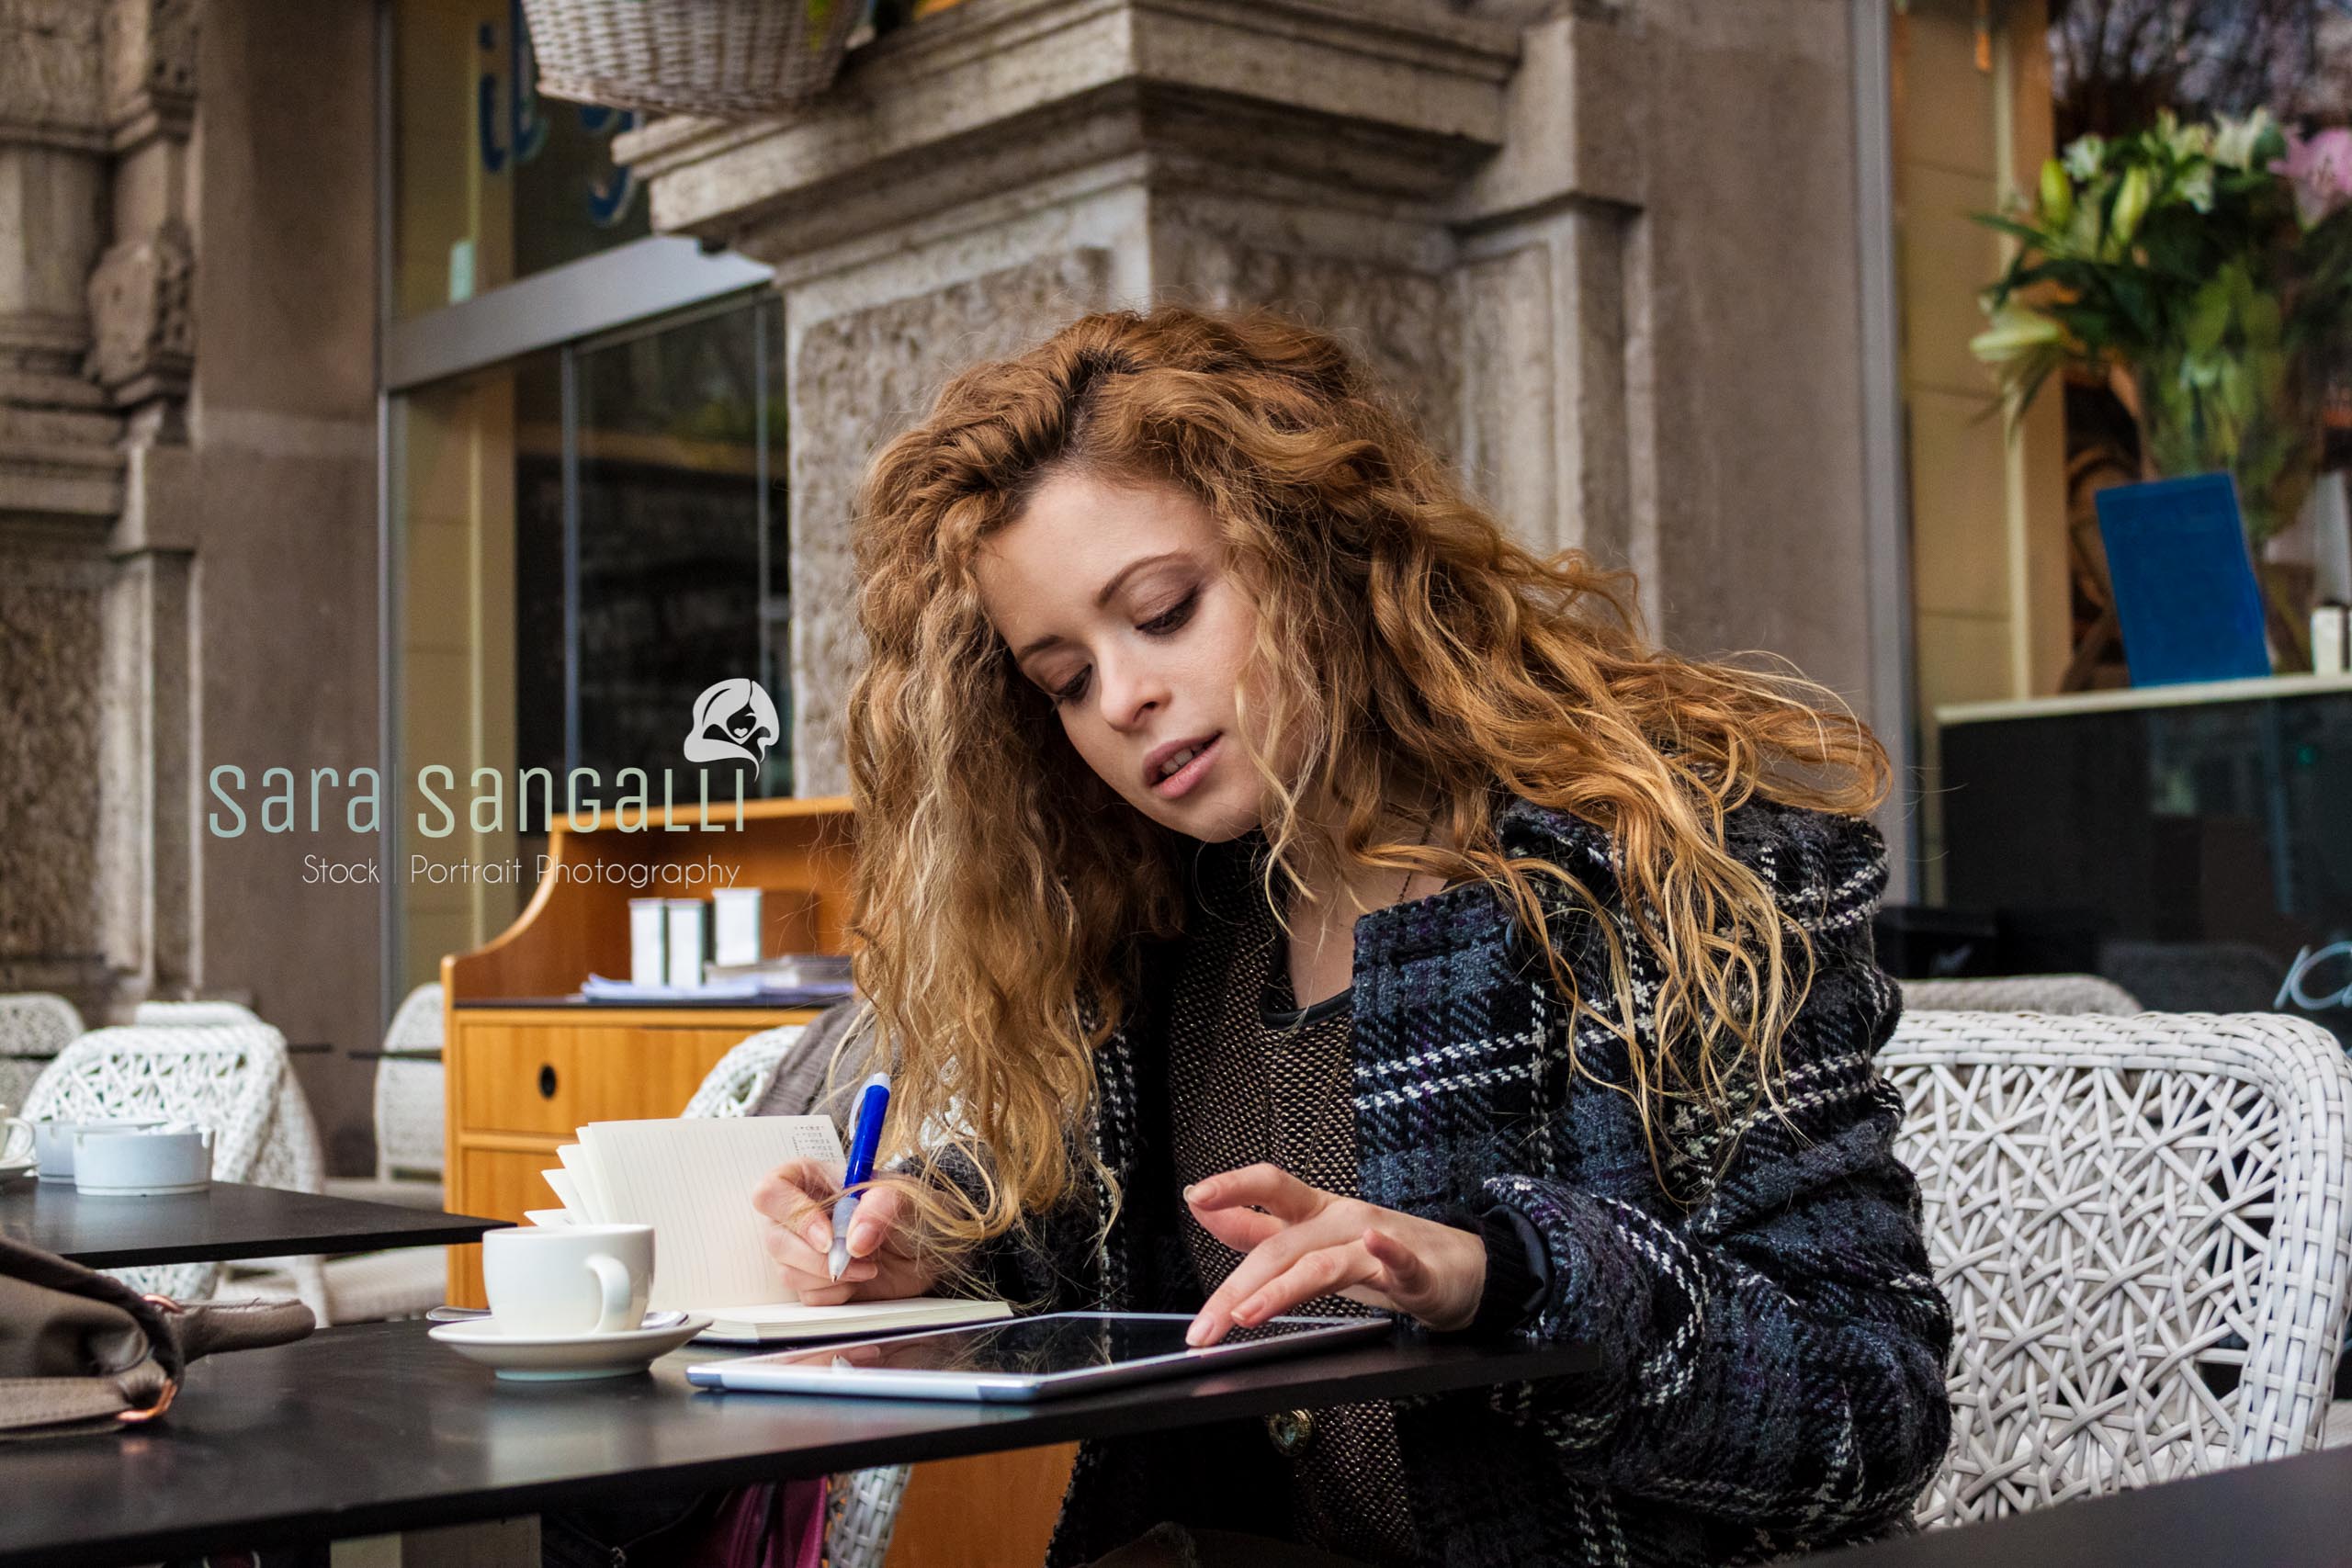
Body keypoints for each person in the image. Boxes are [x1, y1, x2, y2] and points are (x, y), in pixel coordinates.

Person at [752, 306, 1953, 1568]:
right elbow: (1112, 1262)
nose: (1123, 698)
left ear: (1318, 544)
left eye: (1162, 611)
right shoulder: (1175, 927)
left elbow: (1873, 1410)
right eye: (1062, 678)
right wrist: (929, 1248)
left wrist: (1507, 1276)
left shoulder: (1667, 867)